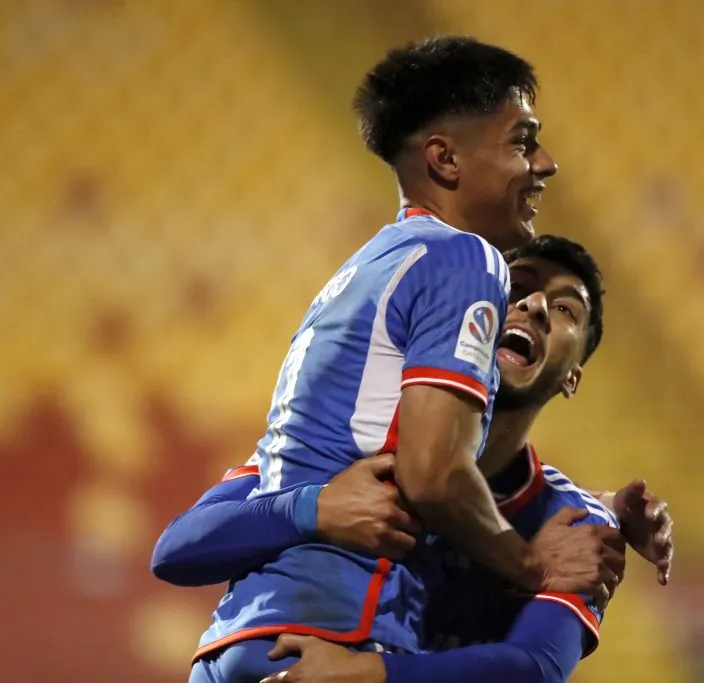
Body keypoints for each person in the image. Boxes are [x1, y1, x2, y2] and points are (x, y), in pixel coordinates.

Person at [175, 37, 624, 682]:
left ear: (576, 369)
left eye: (565, 310)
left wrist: (308, 508)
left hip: (237, 644)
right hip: (333, 637)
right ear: (444, 158)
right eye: (522, 141)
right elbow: (436, 475)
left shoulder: (368, 268)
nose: (546, 164)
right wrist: (531, 565)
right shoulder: (467, 258)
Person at [153, 236, 675, 683]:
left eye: (565, 310)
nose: (535, 304)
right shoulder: (356, 437)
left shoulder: (574, 526)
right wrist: (315, 508)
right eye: (517, 286)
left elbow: (535, 666)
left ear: (572, 377)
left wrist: (368, 674)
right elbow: (176, 550)